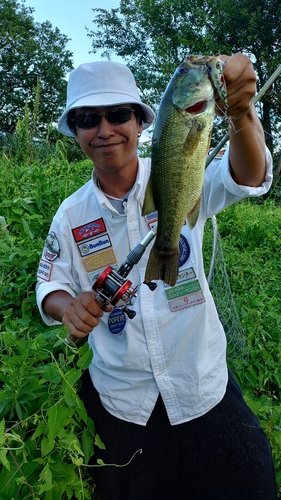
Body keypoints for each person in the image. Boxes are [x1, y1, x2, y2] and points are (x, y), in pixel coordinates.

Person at [36, 55, 277, 499]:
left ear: (142, 122)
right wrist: (66, 306)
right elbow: (49, 283)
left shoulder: (181, 165)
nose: (104, 129)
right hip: (122, 402)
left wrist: (243, 112)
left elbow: (249, 176)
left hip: (203, 384)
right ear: (75, 132)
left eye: (118, 114)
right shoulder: (70, 215)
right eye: (87, 119)